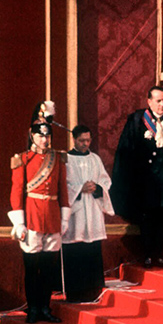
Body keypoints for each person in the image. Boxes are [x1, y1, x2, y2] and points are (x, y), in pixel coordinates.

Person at [111, 86, 163, 268]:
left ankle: (159, 254)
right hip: (145, 180)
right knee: (148, 217)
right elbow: (126, 151)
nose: (162, 104)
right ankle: (147, 254)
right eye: (158, 101)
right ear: (149, 101)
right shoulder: (137, 119)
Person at [7, 119, 71, 324]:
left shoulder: (58, 158)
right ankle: (33, 308)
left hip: (52, 216)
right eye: (40, 136)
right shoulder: (23, 159)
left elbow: (63, 191)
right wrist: (19, 223)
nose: (44, 140)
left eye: (47, 136)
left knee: (48, 268)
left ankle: (45, 307)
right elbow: (16, 192)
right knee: (32, 268)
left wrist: (64, 218)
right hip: (32, 217)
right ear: (32, 136)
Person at [62, 125, 113, 302]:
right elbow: (62, 187)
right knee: (75, 251)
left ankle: (93, 291)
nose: (85, 144)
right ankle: (75, 294)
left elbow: (105, 181)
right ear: (74, 139)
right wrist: (79, 189)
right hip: (76, 214)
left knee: (92, 249)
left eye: (88, 140)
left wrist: (97, 188)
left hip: (92, 210)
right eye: (82, 140)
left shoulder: (95, 159)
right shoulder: (66, 159)